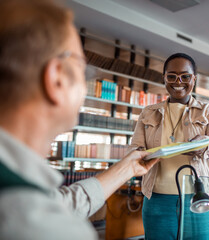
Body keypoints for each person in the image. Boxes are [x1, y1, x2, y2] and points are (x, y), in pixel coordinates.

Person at [0, 1, 159, 239]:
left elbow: (59, 203)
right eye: (83, 71)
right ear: (57, 80)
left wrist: (127, 168)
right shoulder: (37, 225)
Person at [130, 53, 209, 239]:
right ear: (164, 78)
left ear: (194, 79)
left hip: (199, 195)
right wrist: (140, 154)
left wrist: (204, 146)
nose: (178, 81)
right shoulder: (148, 113)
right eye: (171, 76)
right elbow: (134, 148)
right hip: (157, 199)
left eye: (185, 76)